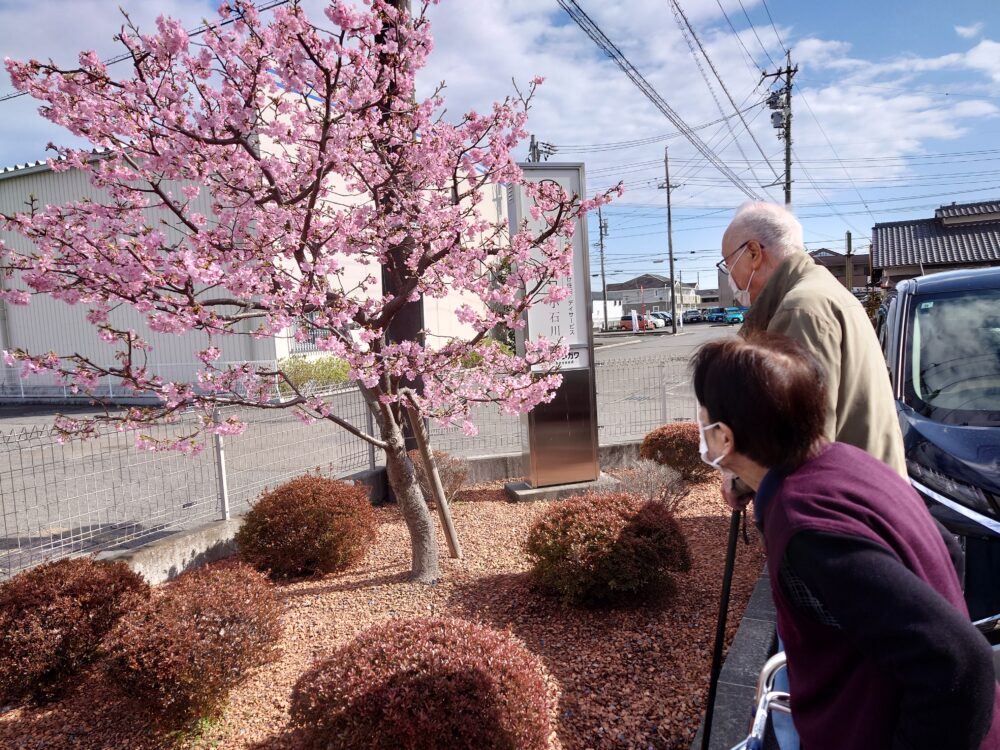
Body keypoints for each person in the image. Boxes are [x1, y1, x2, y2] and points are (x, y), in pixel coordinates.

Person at [692, 332, 1000, 750]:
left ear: (724, 438)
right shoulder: (844, 461)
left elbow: (961, 664)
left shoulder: (805, 524)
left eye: (703, 416)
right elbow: (944, 549)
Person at [718, 201, 906, 480]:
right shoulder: (823, 290)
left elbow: (801, 446)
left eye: (728, 263)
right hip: (869, 492)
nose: (730, 278)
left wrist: (741, 477)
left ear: (754, 253)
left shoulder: (800, 309)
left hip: (842, 507)